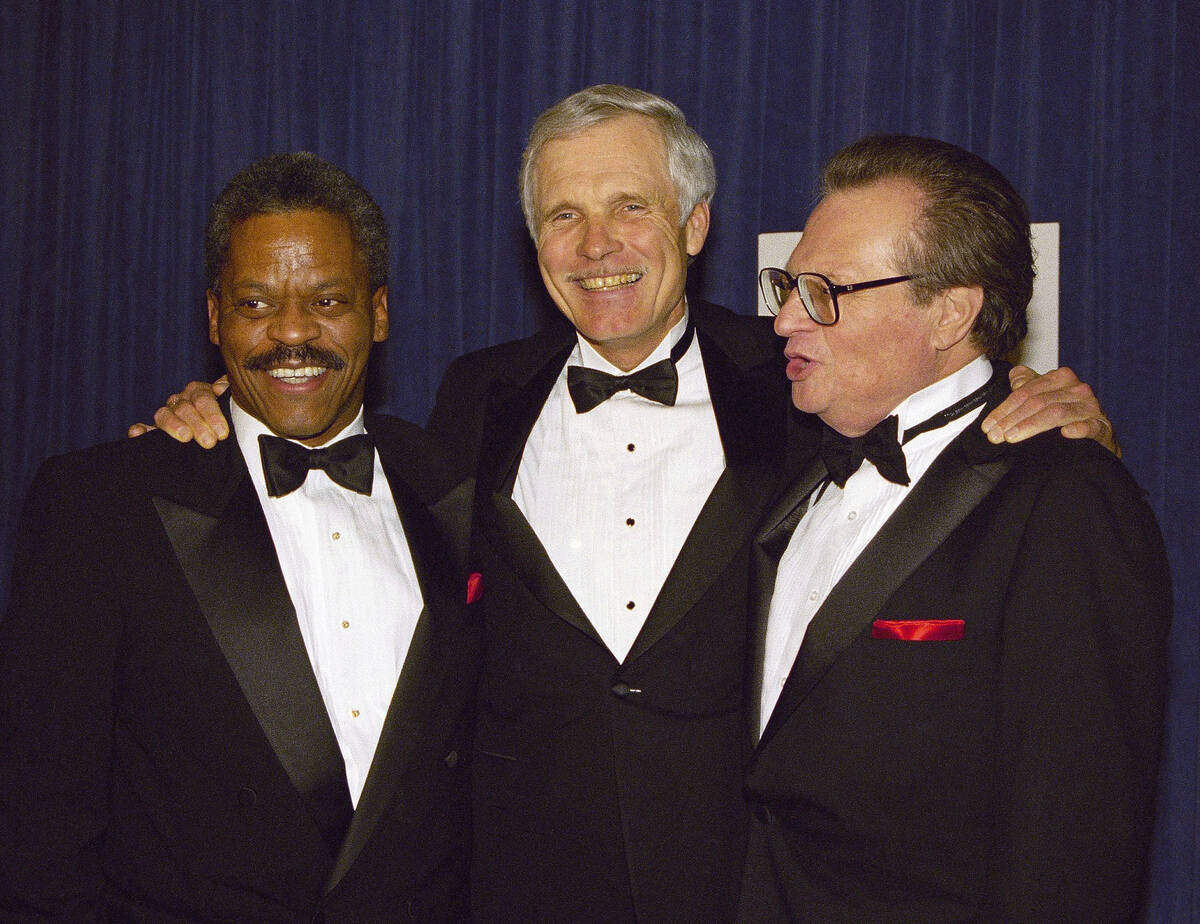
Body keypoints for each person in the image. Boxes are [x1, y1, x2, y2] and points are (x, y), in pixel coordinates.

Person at [141, 87, 1116, 922]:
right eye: (563, 214)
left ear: (694, 224)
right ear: (534, 244)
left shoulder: (794, 381)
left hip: (741, 888)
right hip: (516, 888)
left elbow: (932, 429)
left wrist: (1034, 403)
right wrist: (214, 419)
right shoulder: (473, 398)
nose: (596, 244)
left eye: (628, 206)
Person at [0, 153, 479, 922]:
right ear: (215, 317)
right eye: (257, 303)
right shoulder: (102, 504)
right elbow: (42, 825)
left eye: (327, 299)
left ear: (379, 313)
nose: (292, 333)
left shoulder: (456, 488)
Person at [740, 135, 1169, 921]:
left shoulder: (1067, 500)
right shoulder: (792, 464)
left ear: (949, 312)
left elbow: (1073, 853)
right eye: (787, 285)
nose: (785, 320)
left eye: (823, 290)